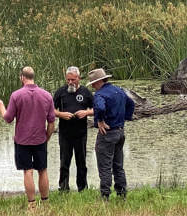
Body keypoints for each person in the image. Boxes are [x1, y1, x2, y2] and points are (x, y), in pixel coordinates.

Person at [0, 66, 55, 210]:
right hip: (40, 139)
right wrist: (47, 136)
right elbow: (52, 122)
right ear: (33, 76)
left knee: (28, 170)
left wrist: (0, 106)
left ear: (22, 77)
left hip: (22, 140)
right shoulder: (47, 95)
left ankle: (32, 204)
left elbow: (8, 118)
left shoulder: (16, 95)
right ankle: (45, 202)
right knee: (43, 170)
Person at [87, 67, 135, 200]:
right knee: (118, 166)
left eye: (93, 84)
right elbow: (131, 103)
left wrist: (100, 121)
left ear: (97, 83)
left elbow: (100, 107)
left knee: (105, 167)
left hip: (107, 134)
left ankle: (105, 196)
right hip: (120, 132)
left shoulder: (99, 95)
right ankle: (122, 194)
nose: (93, 87)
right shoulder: (118, 90)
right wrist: (125, 117)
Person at [53, 66, 93, 192]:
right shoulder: (61, 92)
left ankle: (83, 188)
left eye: (73, 80)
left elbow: (96, 109)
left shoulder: (86, 92)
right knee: (64, 162)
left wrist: (86, 113)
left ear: (78, 78)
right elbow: (50, 110)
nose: (70, 82)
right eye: (68, 80)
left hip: (81, 133)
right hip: (65, 133)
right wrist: (60, 114)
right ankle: (64, 189)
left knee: (81, 162)